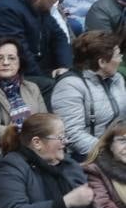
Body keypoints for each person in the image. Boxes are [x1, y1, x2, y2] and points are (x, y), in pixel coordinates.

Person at [50, 29, 126, 161]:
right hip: (86, 157)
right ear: (102, 62)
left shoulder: (117, 78)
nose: (120, 60)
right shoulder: (70, 86)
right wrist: (109, 152)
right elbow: (72, 134)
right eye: (118, 55)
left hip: (118, 148)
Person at [0, 37, 47, 146]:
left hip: (38, 148)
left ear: (20, 62)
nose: (5, 62)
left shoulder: (32, 88)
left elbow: (45, 123)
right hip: (4, 152)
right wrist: (28, 138)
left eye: (11, 58)